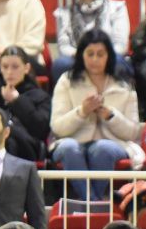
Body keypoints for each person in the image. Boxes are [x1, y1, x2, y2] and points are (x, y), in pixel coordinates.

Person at [47, 30, 140, 203]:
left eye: (100, 54)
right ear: (81, 55)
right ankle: (94, 203)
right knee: (68, 148)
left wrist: (111, 116)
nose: (95, 59)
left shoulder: (124, 84)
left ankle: (88, 204)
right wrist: (82, 111)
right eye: (90, 54)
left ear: (109, 56)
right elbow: (57, 127)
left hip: (113, 143)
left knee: (103, 148)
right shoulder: (66, 80)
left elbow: (132, 132)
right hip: (73, 141)